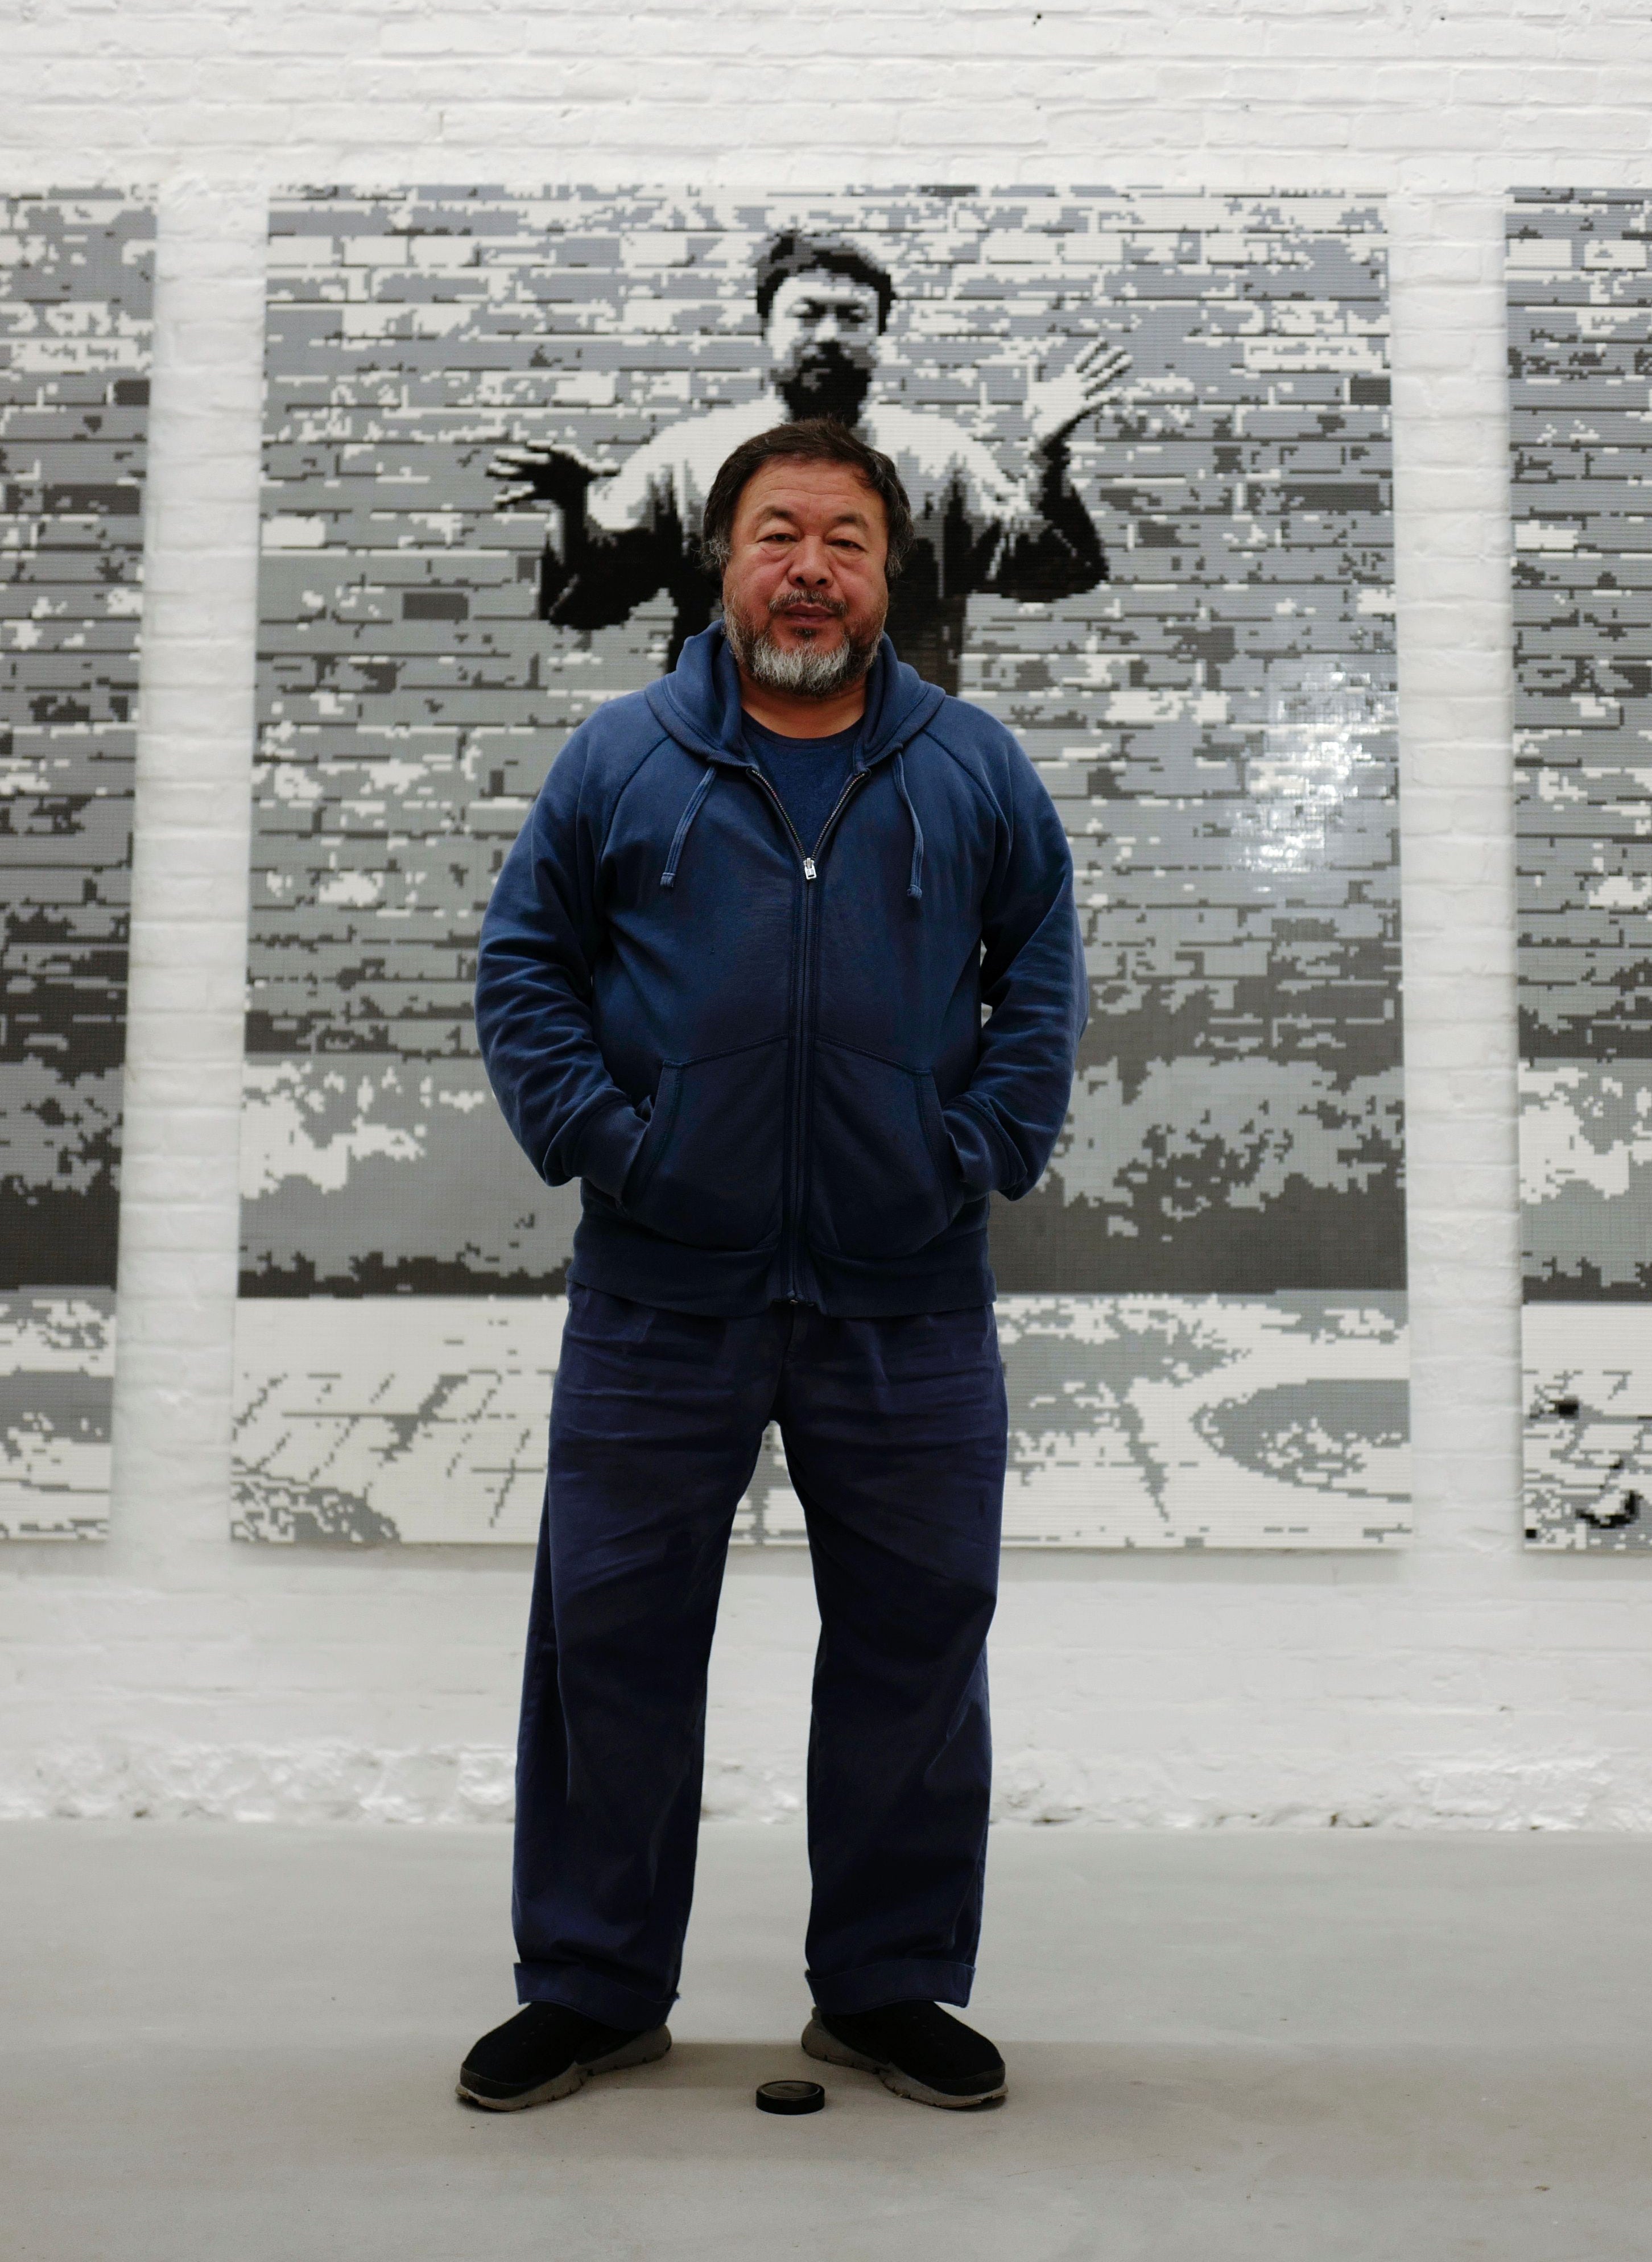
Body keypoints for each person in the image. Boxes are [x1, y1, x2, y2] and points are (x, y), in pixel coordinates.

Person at [460, 418, 1087, 2110]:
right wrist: (618, 1141)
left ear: (891, 576)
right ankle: (591, 1979)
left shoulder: (972, 768)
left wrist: (971, 1155)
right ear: (722, 560)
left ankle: (886, 1981)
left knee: (915, 1642)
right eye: (775, 533)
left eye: (845, 540)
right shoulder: (617, 759)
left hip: (907, 1292)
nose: (808, 567)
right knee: (610, 1640)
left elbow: (1038, 979)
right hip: (662, 1287)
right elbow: (522, 967)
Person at [489, 228, 1128, 694]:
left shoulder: (940, 462)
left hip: (893, 770)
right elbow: (587, 601)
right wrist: (574, 508)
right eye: (807, 314)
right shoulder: (688, 459)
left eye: (851, 317)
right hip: (724, 768)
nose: (828, 335)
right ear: (765, 326)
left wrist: (1048, 455)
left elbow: (1052, 572)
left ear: (878, 336)